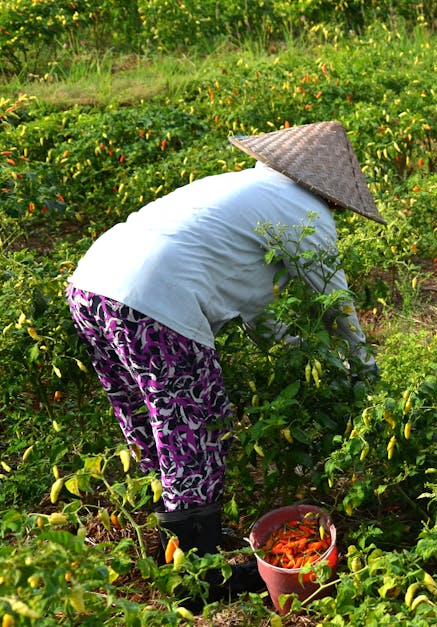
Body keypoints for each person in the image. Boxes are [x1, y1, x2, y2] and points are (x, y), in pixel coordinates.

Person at [64, 121, 384, 603]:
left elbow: (261, 311)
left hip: (90, 281)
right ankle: (198, 580)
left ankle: (170, 541)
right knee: (197, 424)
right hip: (155, 298)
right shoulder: (311, 217)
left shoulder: (238, 186)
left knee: (148, 416)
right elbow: (335, 306)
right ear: (335, 191)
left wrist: (296, 358)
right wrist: (364, 374)